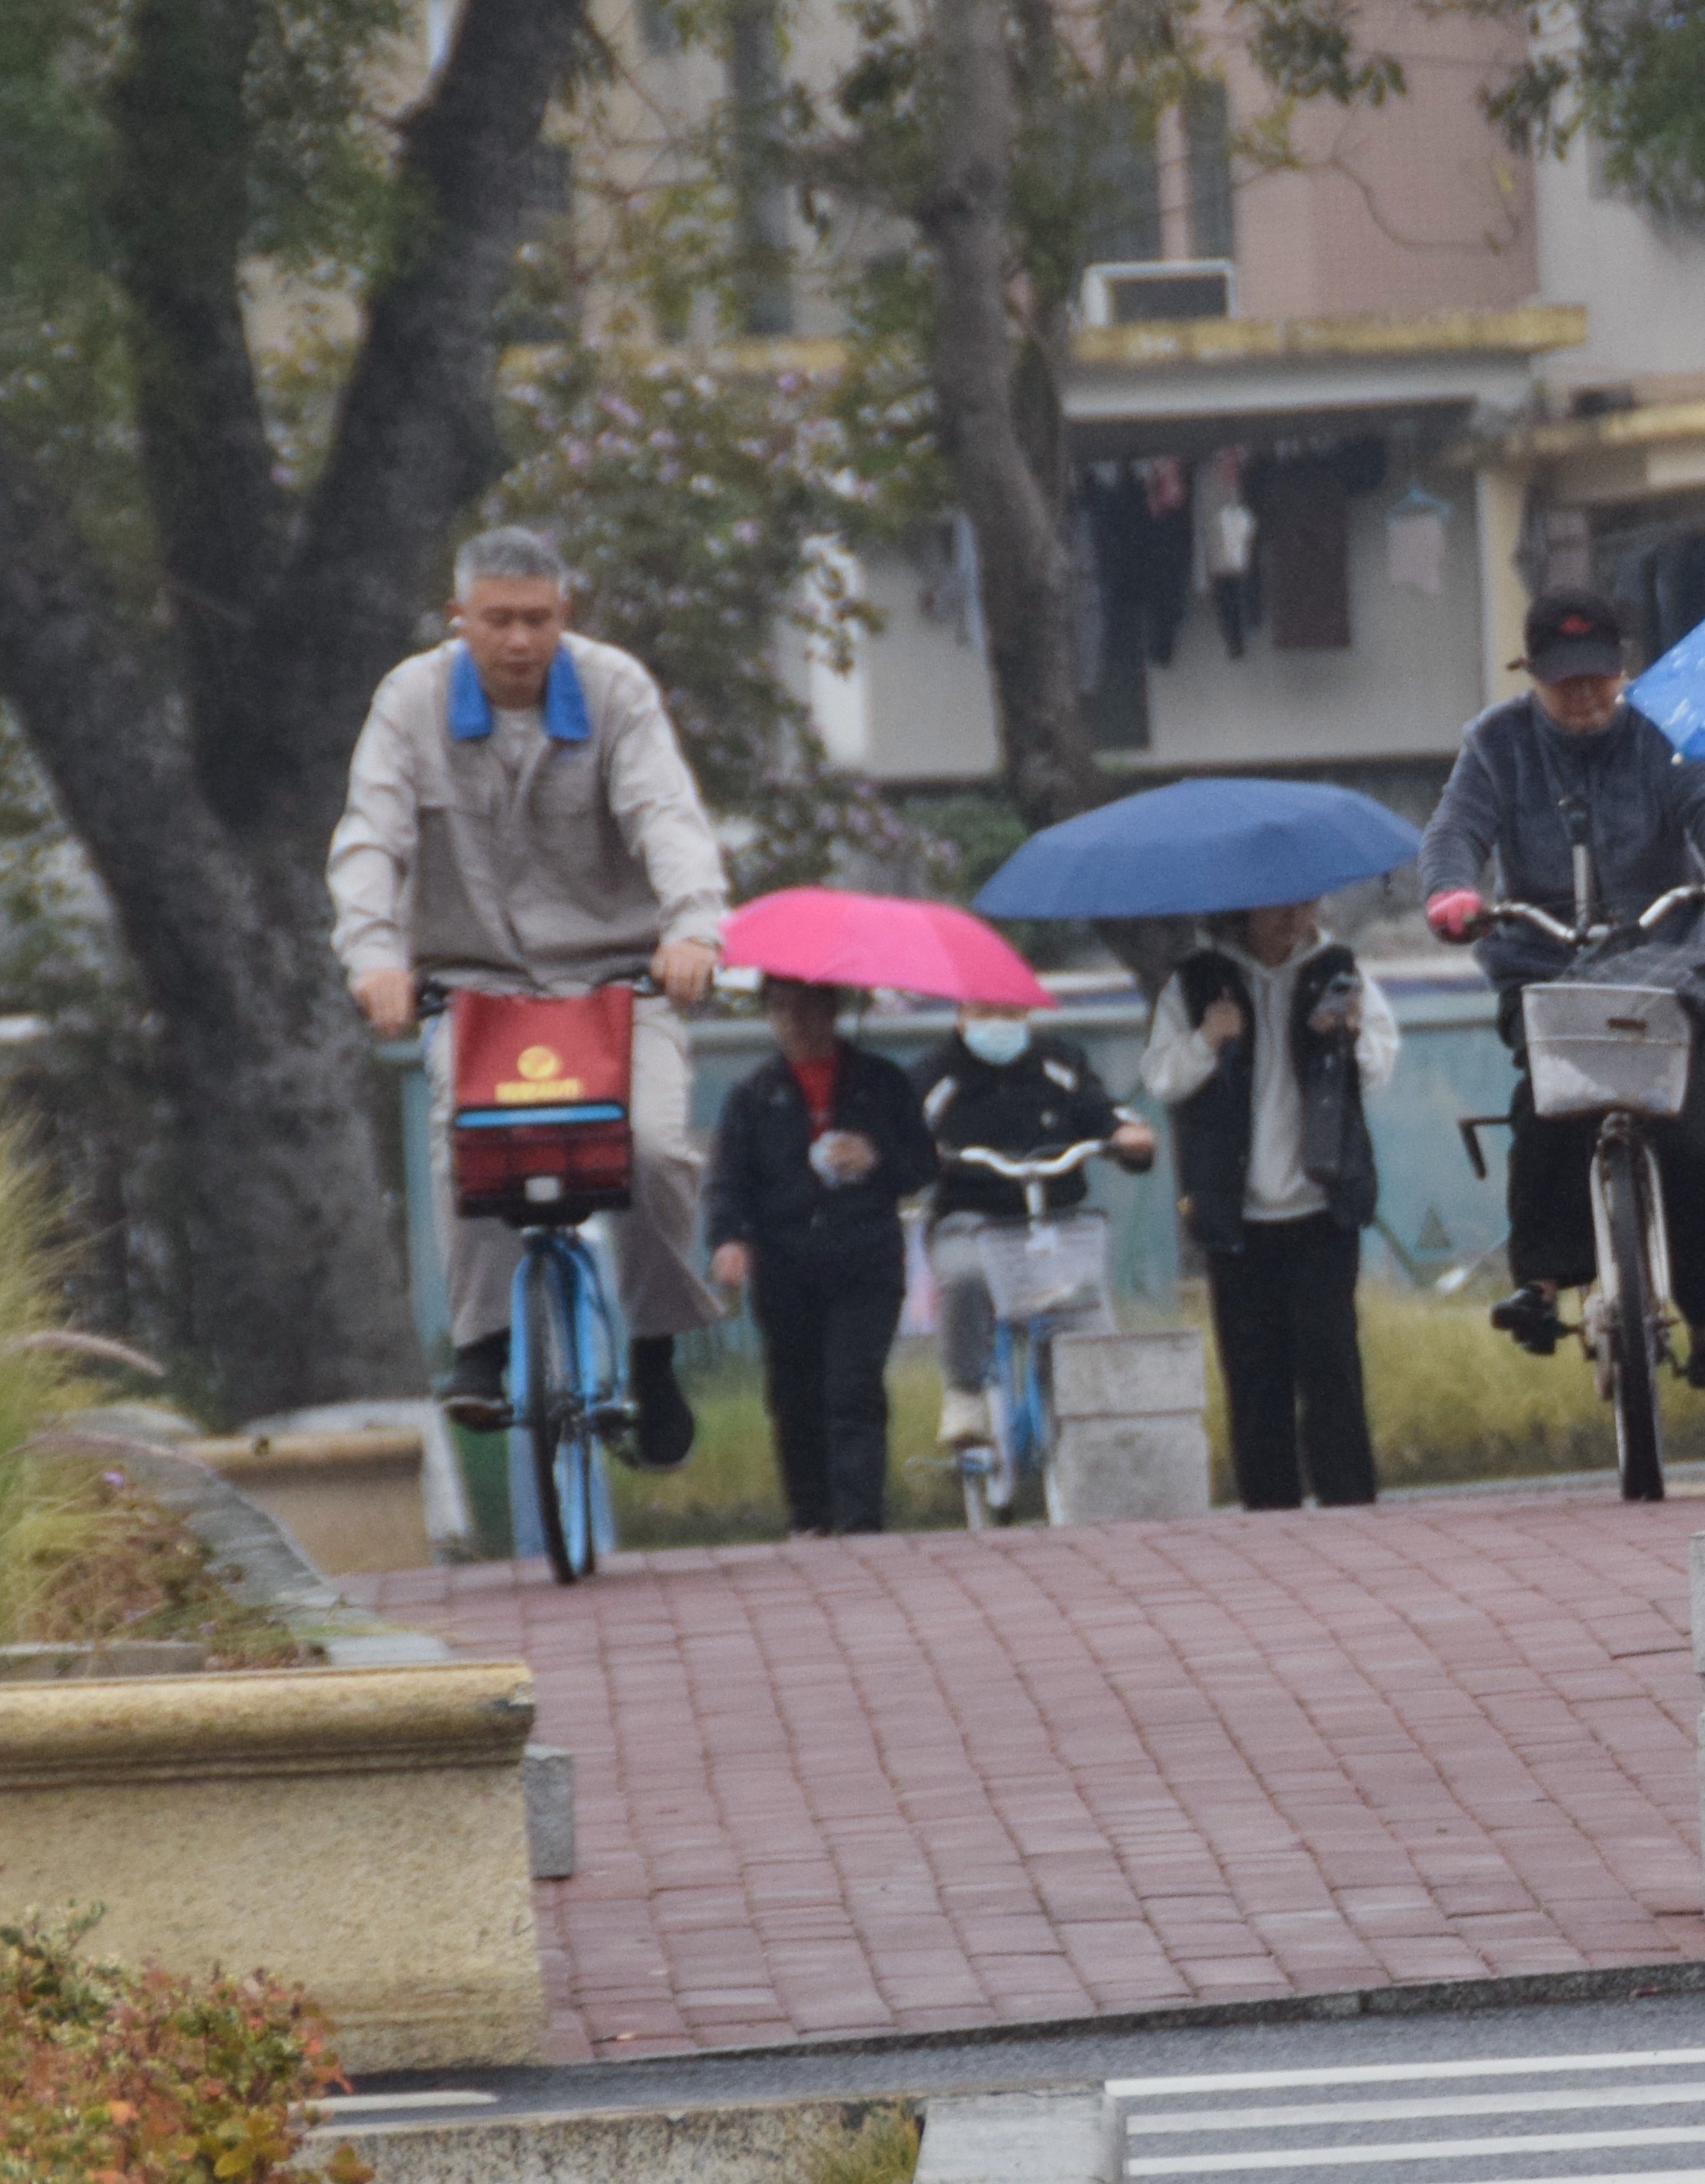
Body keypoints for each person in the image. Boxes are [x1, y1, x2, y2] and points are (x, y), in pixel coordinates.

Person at [331, 525, 724, 1461]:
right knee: (463, 1146)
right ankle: (481, 1344)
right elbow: (370, 838)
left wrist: (693, 928)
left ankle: (657, 1346)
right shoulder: (411, 699)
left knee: (656, 1148)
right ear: (458, 617)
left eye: (537, 620)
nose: (518, 641)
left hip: (618, 975)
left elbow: (666, 812)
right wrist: (373, 955)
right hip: (478, 981)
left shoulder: (614, 688)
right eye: (498, 620)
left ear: (566, 616)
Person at [1419, 587, 1705, 1389]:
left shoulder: (1663, 732)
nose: (1585, 697)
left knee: (1691, 1137)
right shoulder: (1496, 743)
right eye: (1564, 682)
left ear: (1623, 672)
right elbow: (1455, 832)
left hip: (1666, 968)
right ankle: (1540, 1283)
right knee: (1545, 1109)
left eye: (1598, 679)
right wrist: (1452, 893)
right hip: (1543, 965)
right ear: (1531, 675)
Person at [1141, 897, 1401, 1509]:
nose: (1295, 917)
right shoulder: (1198, 981)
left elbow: (1380, 1069)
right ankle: (1269, 1515)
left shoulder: (1338, 971)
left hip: (1320, 1208)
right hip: (1236, 1215)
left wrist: (1353, 1033)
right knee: (1255, 1380)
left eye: (1305, 903)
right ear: (1244, 909)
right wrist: (1208, 1038)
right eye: (1278, 907)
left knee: (1331, 1366)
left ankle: (1350, 1505)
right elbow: (1160, 1076)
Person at [700, 977, 941, 1533]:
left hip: (865, 1261)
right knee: (794, 1390)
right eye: (780, 1009)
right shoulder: (754, 1095)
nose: (795, 1021)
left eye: (807, 1007)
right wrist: (729, 1239)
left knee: (853, 1388)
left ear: (832, 1008)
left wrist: (875, 1155)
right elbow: (727, 1181)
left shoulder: (880, 1084)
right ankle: (809, 1514)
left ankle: (860, 1519)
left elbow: (923, 1166)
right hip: (786, 1265)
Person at [918, 1004, 1155, 1448]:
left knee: (1087, 1311)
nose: (998, 1020)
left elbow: (1104, 1112)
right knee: (965, 1272)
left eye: (1008, 1008)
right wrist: (919, 1155)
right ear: (960, 1013)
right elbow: (903, 1140)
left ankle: (1104, 1425)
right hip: (972, 1219)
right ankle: (964, 1394)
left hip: (1054, 1218)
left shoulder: (1059, 1062)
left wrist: (1127, 1136)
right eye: (984, 1007)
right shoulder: (934, 1075)